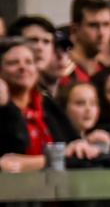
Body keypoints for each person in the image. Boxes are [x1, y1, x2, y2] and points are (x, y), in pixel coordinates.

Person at [0, 39, 92, 171]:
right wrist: (7, 106)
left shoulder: (46, 104)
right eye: (13, 63)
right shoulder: (4, 110)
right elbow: (11, 154)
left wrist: (29, 164)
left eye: (29, 62)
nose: (23, 67)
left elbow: (73, 151)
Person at [59, 0, 110, 95]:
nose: (101, 33)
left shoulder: (107, 73)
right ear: (74, 30)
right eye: (93, 25)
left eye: (106, 24)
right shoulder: (61, 73)